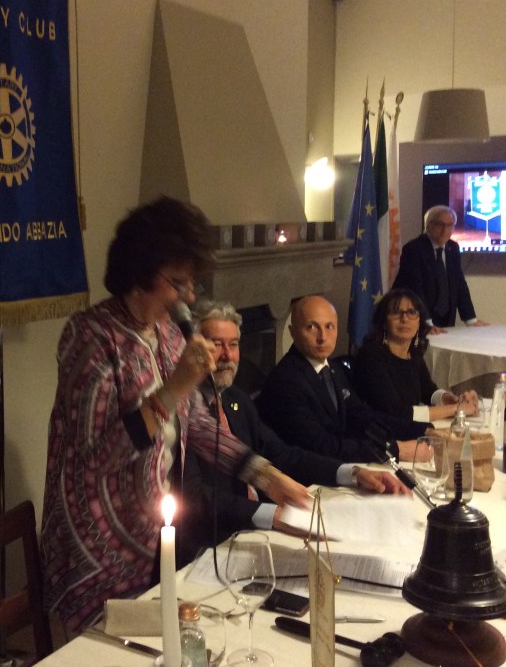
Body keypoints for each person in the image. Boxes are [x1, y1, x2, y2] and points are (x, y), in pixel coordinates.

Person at [40, 196, 311, 633]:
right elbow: (97, 457)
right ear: (140, 271)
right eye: (178, 283)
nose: (188, 296)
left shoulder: (166, 333)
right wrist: (177, 386)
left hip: (156, 536)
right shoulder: (90, 336)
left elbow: (198, 425)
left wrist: (266, 477)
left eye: (191, 283)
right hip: (99, 551)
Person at [179, 300, 408, 562]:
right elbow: (195, 497)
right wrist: (273, 515)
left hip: (256, 533)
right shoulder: (183, 410)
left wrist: (354, 473)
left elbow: (284, 454)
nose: (227, 356)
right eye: (216, 344)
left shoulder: (237, 399)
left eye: (233, 345)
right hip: (208, 547)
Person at [257, 295, 430, 464]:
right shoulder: (286, 382)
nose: (322, 337)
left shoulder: (333, 368)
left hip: (337, 463)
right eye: (311, 327)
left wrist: (424, 430)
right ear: (293, 332)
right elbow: (321, 446)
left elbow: (362, 415)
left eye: (329, 327)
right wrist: (393, 450)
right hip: (306, 475)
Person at [352, 288, 480, 422]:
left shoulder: (413, 353)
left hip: (403, 429)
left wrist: (450, 399)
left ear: (419, 321)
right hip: (379, 431)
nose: (404, 319)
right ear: (384, 321)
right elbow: (397, 413)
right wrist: (456, 409)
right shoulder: (371, 356)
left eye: (411, 312)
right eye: (396, 312)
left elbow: (429, 392)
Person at [393, 205, 489, 333]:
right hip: (417, 320)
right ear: (428, 226)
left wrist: (471, 319)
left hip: (447, 319)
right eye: (440, 225)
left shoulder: (452, 248)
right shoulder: (414, 249)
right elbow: (415, 289)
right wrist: (425, 322)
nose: (445, 230)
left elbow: (459, 284)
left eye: (450, 225)